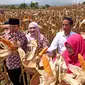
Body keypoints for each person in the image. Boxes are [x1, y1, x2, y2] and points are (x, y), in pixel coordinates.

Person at [2, 18, 28, 85]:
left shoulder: (21, 35)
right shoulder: (6, 34)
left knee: (22, 80)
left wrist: (10, 45)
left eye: (14, 26)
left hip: (19, 62)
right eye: (10, 26)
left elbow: (16, 46)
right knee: (14, 80)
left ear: (18, 26)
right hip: (9, 62)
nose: (12, 28)